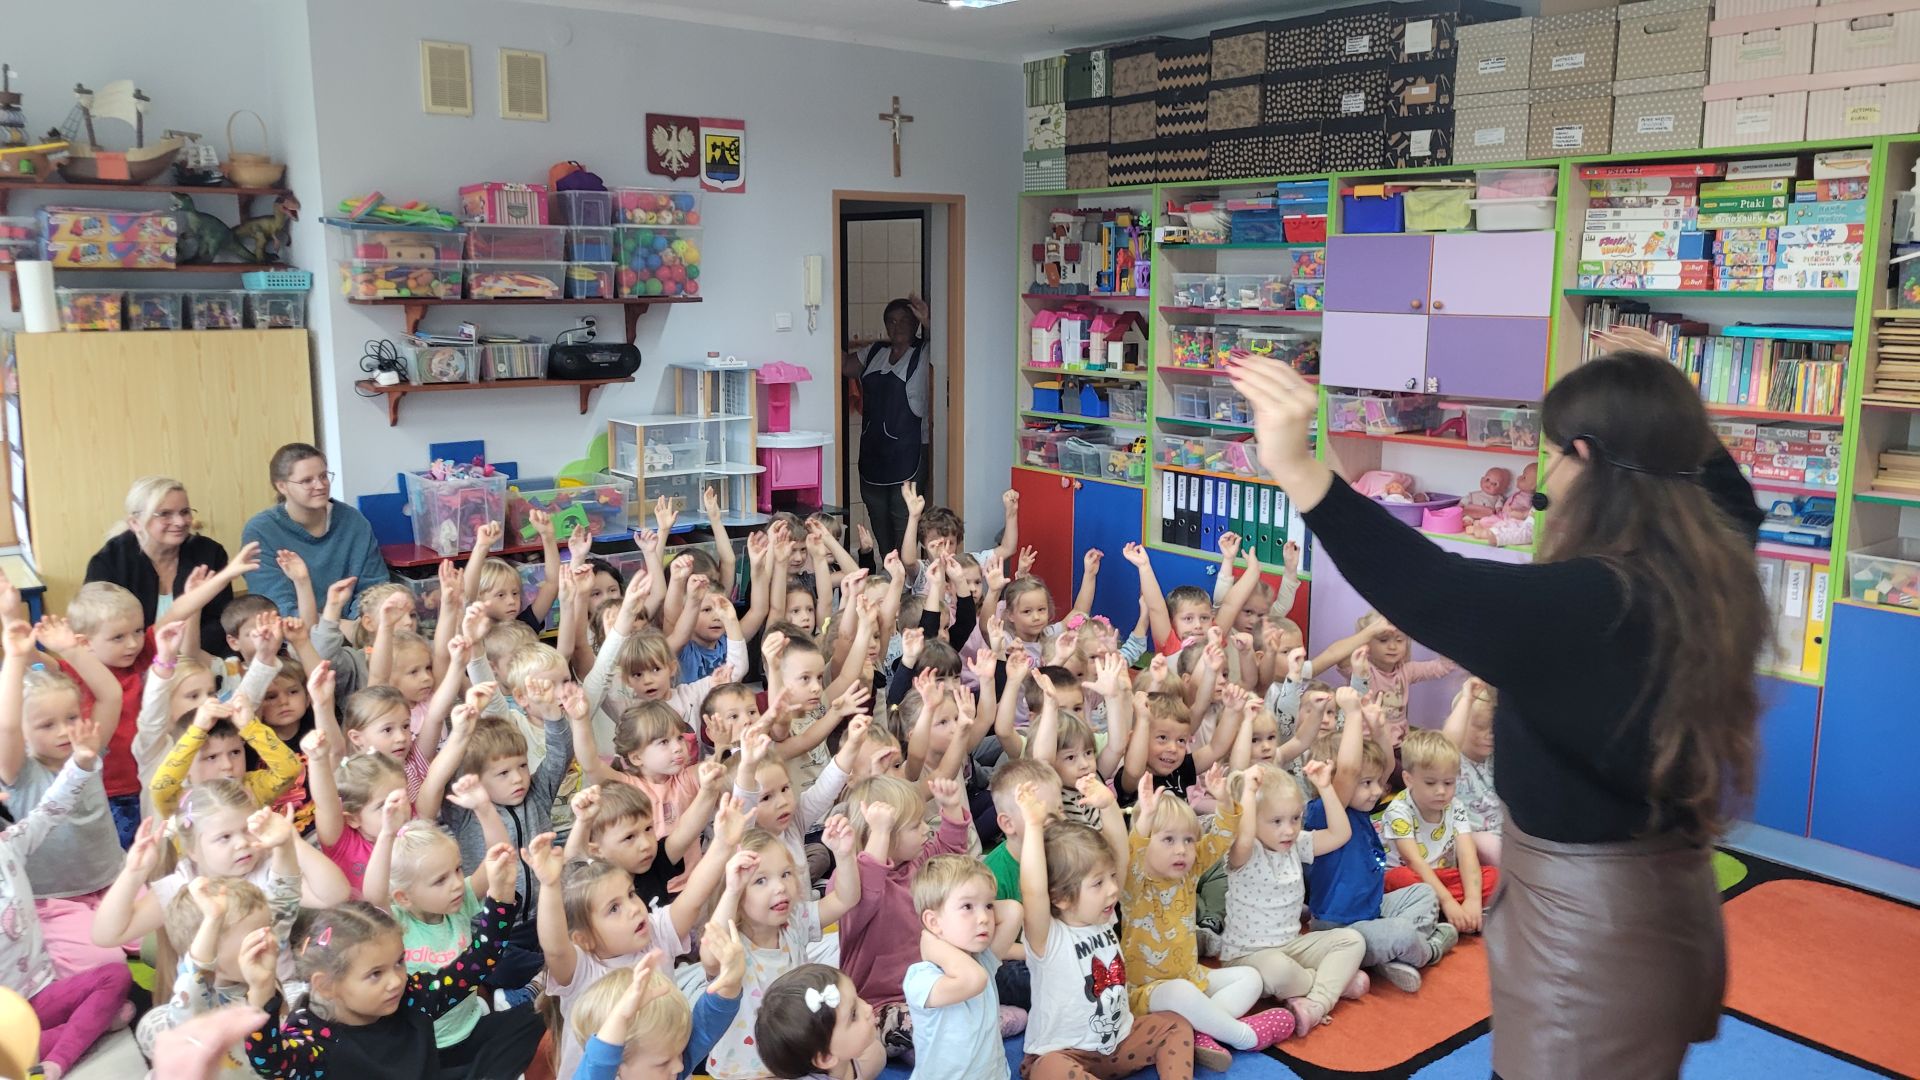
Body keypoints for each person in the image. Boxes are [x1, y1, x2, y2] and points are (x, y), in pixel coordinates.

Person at [1226, 336, 1767, 1078]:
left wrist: (1296, 465)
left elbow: (1435, 589)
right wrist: (1662, 408)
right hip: (1669, 912)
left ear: (1585, 458)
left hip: (1590, 942)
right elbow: (1737, 508)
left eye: (1556, 455)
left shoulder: (1596, 602)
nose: (1549, 473)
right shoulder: (1706, 571)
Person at [85, 476, 233, 655]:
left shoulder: (210, 553)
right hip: (132, 660)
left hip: (200, 656)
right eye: (165, 514)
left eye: (185, 512)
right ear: (135, 523)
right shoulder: (108, 563)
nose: (180, 522)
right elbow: (102, 633)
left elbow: (222, 621)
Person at [240, 444, 389, 621]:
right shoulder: (261, 530)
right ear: (282, 486)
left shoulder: (354, 521)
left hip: (357, 628)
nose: (320, 485)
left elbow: (374, 587)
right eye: (307, 481)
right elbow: (274, 607)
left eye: (323, 476)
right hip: (294, 632)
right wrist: (334, 627)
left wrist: (361, 624)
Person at [848, 294, 932, 556]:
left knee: (903, 516)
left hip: (909, 453)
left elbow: (950, 348)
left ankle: (906, 573)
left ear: (915, 324)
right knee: (878, 515)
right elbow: (845, 367)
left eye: (905, 320)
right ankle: (888, 568)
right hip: (873, 453)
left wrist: (928, 320)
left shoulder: (924, 352)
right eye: (892, 321)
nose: (898, 326)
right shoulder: (875, 352)